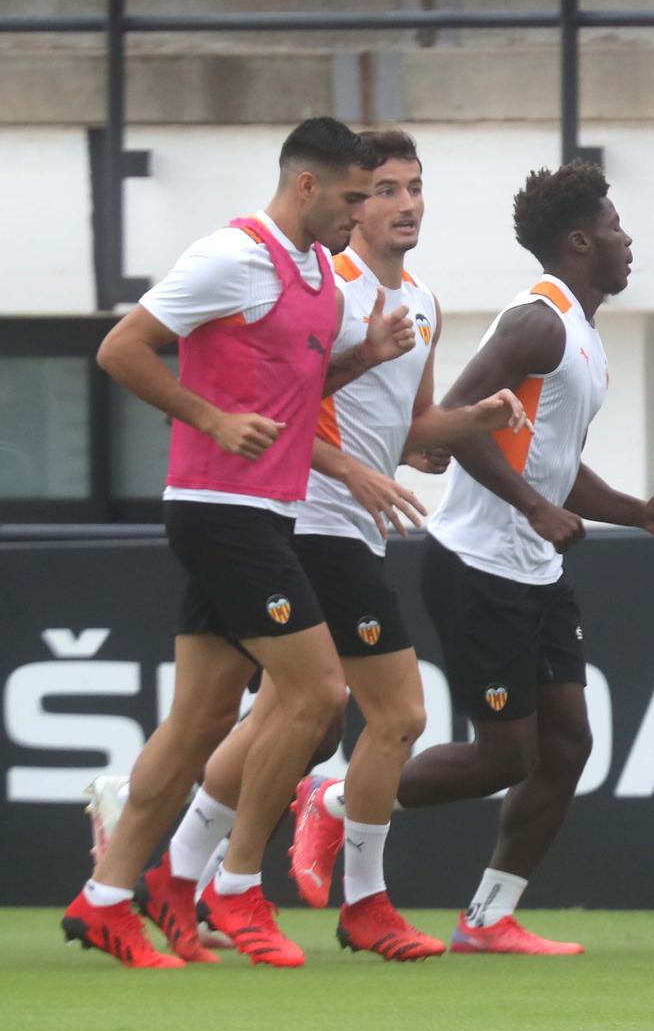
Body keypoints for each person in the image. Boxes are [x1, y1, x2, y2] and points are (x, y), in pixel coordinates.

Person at [133, 131, 526, 964]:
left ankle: (179, 873)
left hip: (345, 524)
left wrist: (472, 423)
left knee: (290, 717)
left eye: (414, 186)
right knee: (394, 712)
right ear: (345, 197)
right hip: (307, 518)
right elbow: (285, 407)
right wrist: (353, 469)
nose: (402, 203)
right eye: (381, 189)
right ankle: (350, 901)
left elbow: (415, 429)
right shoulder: (324, 282)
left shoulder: (420, 301)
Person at [63, 117, 415, 969]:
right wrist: (211, 415)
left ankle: (111, 897)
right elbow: (121, 348)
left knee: (201, 719)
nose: (362, 212)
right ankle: (235, 884)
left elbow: (299, 388)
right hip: (219, 510)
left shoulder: (320, 282)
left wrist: (363, 357)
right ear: (306, 188)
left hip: (264, 513)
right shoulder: (233, 254)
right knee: (319, 693)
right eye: (353, 196)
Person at [393, 160, 654, 956]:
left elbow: (555, 467)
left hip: (535, 568)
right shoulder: (540, 320)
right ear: (582, 239)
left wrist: (636, 512)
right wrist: (532, 506)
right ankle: (323, 795)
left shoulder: (586, 341)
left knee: (566, 746)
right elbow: (454, 420)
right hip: (477, 562)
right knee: (504, 755)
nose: (629, 240)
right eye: (618, 225)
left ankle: (488, 919)